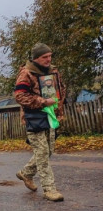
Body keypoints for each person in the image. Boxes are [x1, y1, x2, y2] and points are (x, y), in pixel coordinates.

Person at [14, 43, 66, 202]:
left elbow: (60, 90)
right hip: (34, 117)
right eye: (45, 57)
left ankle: (26, 173)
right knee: (42, 153)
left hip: (51, 116)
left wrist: (58, 108)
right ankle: (49, 189)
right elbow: (20, 96)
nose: (48, 59)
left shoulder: (53, 71)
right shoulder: (27, 73)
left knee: (48, 151)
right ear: (36, 57)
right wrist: (42, 102)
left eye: (50, 56)